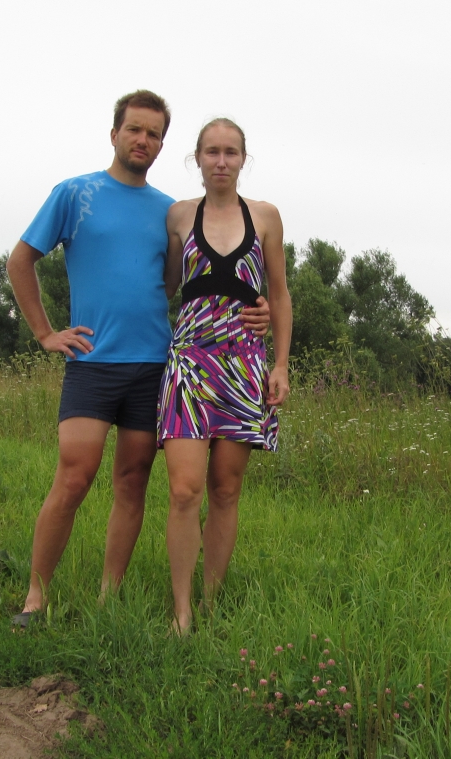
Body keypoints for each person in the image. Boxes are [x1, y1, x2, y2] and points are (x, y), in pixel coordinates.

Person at [6, 94, 271, 626]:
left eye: (153, 134)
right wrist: (45, 333)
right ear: (115, 134)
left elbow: (183, 282)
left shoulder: (171, 212)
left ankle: (110, 597)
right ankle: (35, 596)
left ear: (163, 145)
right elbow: (20, 261)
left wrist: (255, 305)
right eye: (134, 129)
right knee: (74, 477)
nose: (142, 140)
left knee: (132, 482)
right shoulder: (75, 194)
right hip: (92, 362)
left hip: (155, 365)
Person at [158, 117, 292, 634]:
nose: (221, 161)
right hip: (190, 365)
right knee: (184, 491)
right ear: (197, 158)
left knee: (226, 489)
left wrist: (280, 364)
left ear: (243, 159)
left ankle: (211, 602)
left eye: (230, 152)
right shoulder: (178, 216)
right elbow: (166, 285)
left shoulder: (265, 216)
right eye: (211, 152)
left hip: (244, 366)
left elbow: (279, 294)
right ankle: (182, 611)